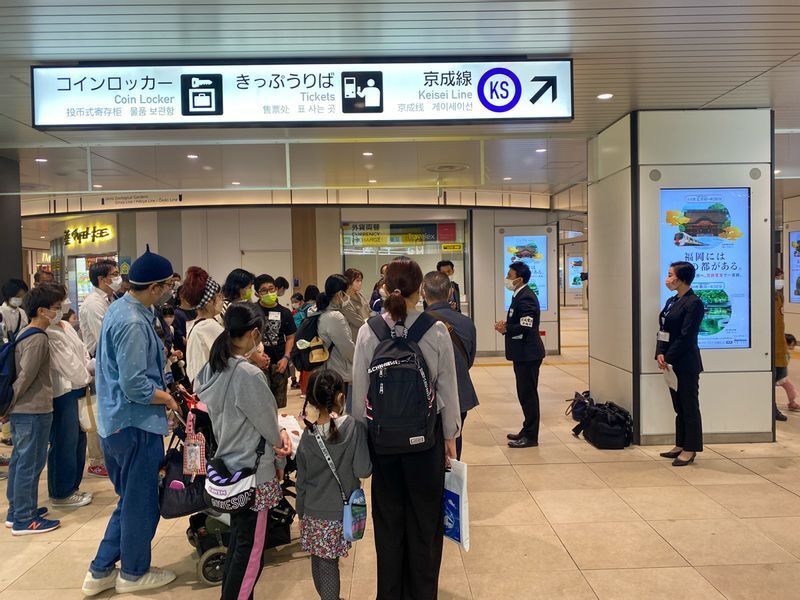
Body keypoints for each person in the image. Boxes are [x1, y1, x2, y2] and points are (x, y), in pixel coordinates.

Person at [352, 258, 460, 599]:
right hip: (424, 442)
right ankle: (422, 592)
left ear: (384, 289)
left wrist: (362, 442)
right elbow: (447, 390)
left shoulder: (369, 331)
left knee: (389, 524)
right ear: (421, 291)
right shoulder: (436, 329)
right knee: (425, 523)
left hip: (383, 444)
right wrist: (450, 437)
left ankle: (390, 593)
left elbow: (359, 395)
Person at [81, 245, 180, 596]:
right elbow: (135, 384)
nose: (170, 290)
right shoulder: (134, 322)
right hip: (134, 425)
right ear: (154, 287)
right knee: (140, 503)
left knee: (129, 500)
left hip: (118, 423)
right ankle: (134, 574)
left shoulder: (120, 309)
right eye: (167, 284)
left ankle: (101, 570)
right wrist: (167, 398)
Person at [195, 303, 291, 600]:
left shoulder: (213, 366)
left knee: (240, 541)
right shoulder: (247, 374)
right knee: (250, 555)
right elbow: (269, 427)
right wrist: (282, 443)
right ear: (253, 334)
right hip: (254, 472)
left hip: (230, 465)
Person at [296, 369, 371, 600]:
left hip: (311, 510)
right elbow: (363, 470)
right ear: (340, 397)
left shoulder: (307, 436)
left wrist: (301, 513)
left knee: (319, 560)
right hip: (338, 513)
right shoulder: (354, 428)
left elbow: (301, 482)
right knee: (329, 564)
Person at [6, 284, 60, 535]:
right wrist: (9, 405)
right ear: (41, 310)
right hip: (32, 410)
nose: (59, 312)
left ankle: (17, 510)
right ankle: (24, 518)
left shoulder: (27, 333)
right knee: (30, 462)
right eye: (56, 308)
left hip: (26, 410)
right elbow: (25, 378)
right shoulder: (37, 338)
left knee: (20, 460)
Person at [41, 284, 94, 509]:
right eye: (59, 303)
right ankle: (61, 491)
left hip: (79, 388)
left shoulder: (65, 325)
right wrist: (86, 374)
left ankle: (72, 486)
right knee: (64, 441)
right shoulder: (49, 333)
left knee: (79, 439)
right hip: (63, 392)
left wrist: (87, 368)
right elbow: (68, 365)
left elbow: (81, 351)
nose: (65, 305)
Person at [423, 270, 478, 460]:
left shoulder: (417, 323)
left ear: (423, 292)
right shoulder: (466, 322)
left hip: (427, 396)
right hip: (460, 392)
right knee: (455, 440)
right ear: (449, 293)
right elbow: (469, 360)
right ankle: (452, 481)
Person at [656, 261, 705, 467]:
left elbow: (686, 336)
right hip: (670, 362)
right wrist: (659, 352)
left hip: (685, 362)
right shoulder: (671, 301)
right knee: (679, 406)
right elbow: (663, 329)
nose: (667, 278)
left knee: (689, 405)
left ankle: (690, 448)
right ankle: (680, 443)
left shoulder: (694, 303)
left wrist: (669, 357)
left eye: (670, 275)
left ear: (681, 278)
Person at [496, 262, 546, 449]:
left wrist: (505, 328)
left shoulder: (526, 298)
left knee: (528, 395)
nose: (507, 279)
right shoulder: (519, 295)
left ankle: (531, 437)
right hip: (522, 354)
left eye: (509, 275)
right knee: (524, 394)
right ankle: (527, 429)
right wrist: (507, 326)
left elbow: (526, 326)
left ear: (519, 279)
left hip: (528, 354)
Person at [80, 259, 121, 480]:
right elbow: (103, 337)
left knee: (106, 410)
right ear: (101, 279)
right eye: (114, 274)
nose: (117, 278)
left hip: (108, 360)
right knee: (96, 413)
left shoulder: (109, 298)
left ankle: (106, 455)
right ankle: (96, 460)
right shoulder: (93, 303)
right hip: (99, 359)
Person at [254, 274, 297, 409]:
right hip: (257, 364)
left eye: (271, 289)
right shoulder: (252, 311)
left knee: (278, 405)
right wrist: (255, 357)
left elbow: (290, 337)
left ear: (276, 289)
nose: (269, 293)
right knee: (261, 404)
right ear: (257, 293)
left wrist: (286, 357)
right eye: (264, 290)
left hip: (279, 364)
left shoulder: (284, 312)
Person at [317, 275, 356, 411]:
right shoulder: (335, 317)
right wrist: (359, 360)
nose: (348, 297)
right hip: (339, 371)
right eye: (347, 292)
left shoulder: (324, 312)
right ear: (340, 294)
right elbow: (347, 348)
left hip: (330, 368)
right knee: (341, 411)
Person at [181, 267, 225, 386]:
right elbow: (230, 357)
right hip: (212, 391)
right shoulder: (208, 326)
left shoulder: (195, 324)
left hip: (201, 390)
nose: (222, 299)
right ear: (209, 301)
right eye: (219, 296)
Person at [774, 268, 795, 420]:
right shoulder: (767, 298)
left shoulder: (778, 297)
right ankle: (772, 409)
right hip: (772, 350)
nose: (780, 281)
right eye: (778, 277)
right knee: (773, 381)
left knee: (780, 377)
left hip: (780, 348)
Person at [341, 268, 370, 343]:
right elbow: (357, 322)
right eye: (357, 280)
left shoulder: (360, 295)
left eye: (361, 280)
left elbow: (369, 310)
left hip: (367, 332)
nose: (360, 283)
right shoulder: (345, 300)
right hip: (356, 336)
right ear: (349, 281)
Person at [1, 278, 29, 343]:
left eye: (23, 296)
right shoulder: (1, 312)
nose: (21, 298)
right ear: (8, 296)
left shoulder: (22, 312)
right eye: (18, 296)